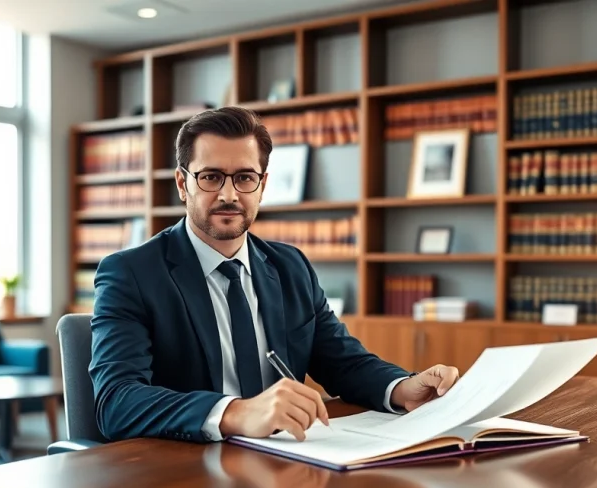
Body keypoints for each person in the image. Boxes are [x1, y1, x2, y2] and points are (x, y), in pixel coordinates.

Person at [89, 106, 460, 443]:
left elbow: (343, 363)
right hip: (183, 470)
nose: (229, 194)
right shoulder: (131, 273)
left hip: (287, 460)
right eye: (211, 177)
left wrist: (401, 388)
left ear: (263, 185)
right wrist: (236, 413)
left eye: (245, 178)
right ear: (182, 183)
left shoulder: (290, 266)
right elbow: (117, 401)